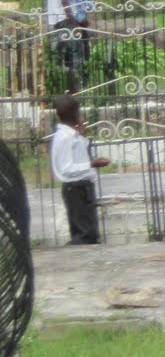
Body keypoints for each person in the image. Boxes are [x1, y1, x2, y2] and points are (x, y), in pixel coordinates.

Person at [51, 94, 108, 245]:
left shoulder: (72, 135)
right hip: (75, 188)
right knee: (85, 234)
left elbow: (80, 155)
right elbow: (67, 168)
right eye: (78, 111)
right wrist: (92, 164)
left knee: (89, 232)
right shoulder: (65, 137)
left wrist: (82, 136)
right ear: (74, 113)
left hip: (81, 185)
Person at [46, 0, 85, 92]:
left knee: (60, 54)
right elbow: (65, 3)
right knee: (75, 54)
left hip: (56, 20)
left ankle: (60, 87)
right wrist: (74, 23)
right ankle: (77, 87)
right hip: (65, 20)